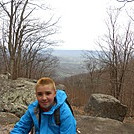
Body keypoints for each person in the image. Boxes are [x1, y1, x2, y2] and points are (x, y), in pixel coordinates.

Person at [10, 77, 77, 134]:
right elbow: (21, 127)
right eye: (40, 94)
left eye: (48, 93)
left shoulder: (64, 112)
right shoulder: (34, 109)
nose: (44, 98)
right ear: (36, 95)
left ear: (54, 94)